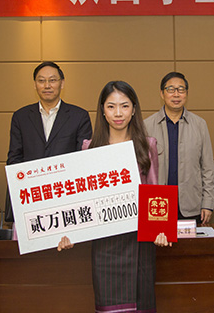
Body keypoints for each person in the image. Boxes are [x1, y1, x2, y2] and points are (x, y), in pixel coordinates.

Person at [58, 80, 170, 313]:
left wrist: (161, 230)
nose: (118, 113)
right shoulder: (90, 148)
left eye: (124, 106)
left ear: (134, 109)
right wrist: (70, 233)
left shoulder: (147, 145)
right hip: (105, 243)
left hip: (139, 242)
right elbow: (83, 199)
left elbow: (154, 190)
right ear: (102, 110)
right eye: (111, 106)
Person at [5, 61, 92, 222]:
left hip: (66, 195)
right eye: (41, 80)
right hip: (32, 196)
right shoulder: (21, 117)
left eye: (52, 80)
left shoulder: (79, 116)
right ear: (35, 84)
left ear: (62, 83)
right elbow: (14, 158)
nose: (47, 85)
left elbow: (82, 160)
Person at [144, 72, 214, 224]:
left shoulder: (199, 125)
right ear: (162, 93)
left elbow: (207, 168)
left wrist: (208, 204)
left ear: (186, 94)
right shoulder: (147, 126)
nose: (176, 94)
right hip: (158, 205)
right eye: (170, 89)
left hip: (191, 205)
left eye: (181, 89)